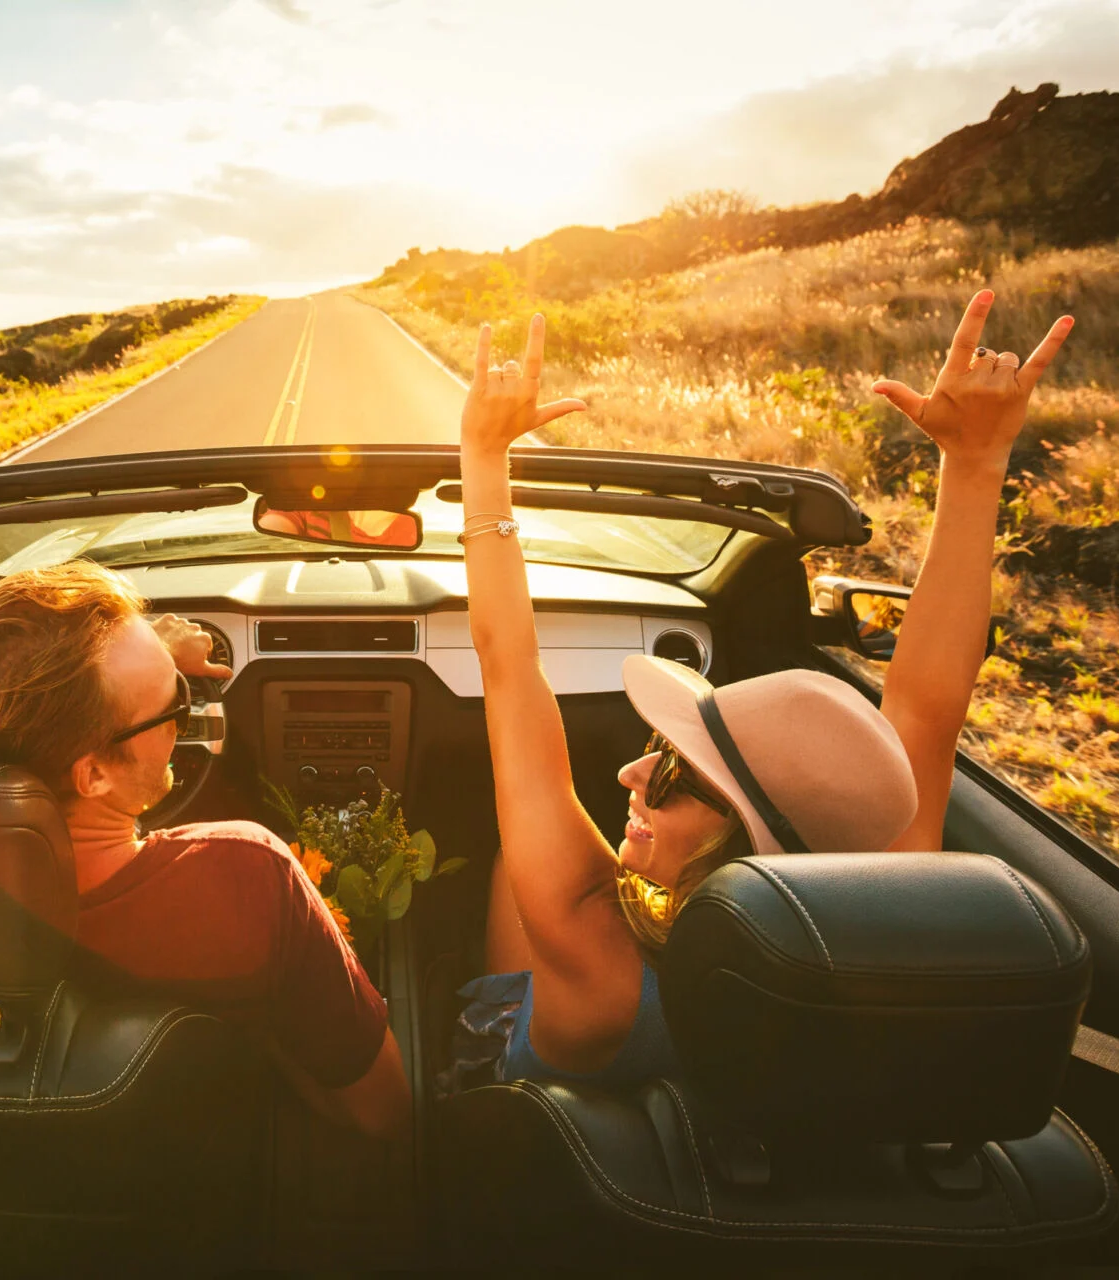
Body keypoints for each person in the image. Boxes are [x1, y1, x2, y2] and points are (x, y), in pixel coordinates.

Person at [452, 291, 1074, 1086]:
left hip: (540, 1115)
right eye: (657, 751)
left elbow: (508, 663)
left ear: (740, 844)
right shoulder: (875, 895)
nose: (630, 775)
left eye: (673, 773)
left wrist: (482, 455)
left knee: (514, 861)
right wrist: (978, 465)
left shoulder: (595, 950)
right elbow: (927, 707)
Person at [0, 560, 411, 1139]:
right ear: (93, 776)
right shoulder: (249, 872)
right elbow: (383, 1113)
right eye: (174, 709)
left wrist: (139, 667)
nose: (184, 721)